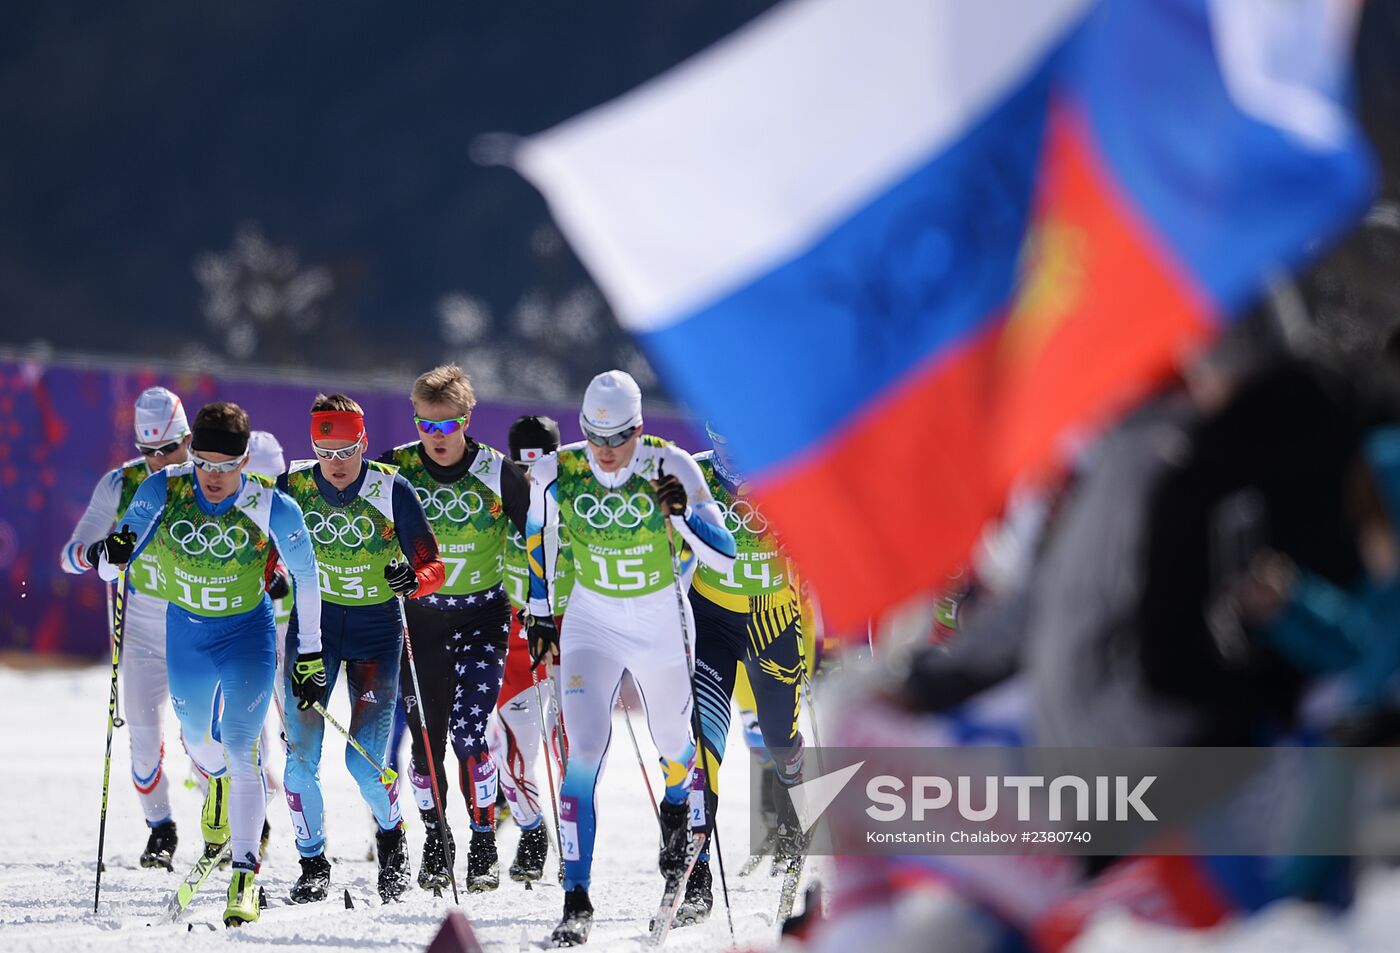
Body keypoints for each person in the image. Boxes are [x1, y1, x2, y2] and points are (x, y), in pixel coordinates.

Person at [86, 401, 322, 926]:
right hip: (186, 633)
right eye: (204, 464)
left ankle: (244, 872)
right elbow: (108, 568)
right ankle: (216, 785)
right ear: (191, 453)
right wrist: (114, 551)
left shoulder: (270, 504)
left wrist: (310, 651)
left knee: (242, 746)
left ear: (245, 462)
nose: (213, 478)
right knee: (199, 742)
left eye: (226, 467)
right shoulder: (164, 488)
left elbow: (308, 577)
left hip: (247, 633)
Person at [523, 369, 737, 946]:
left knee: (676, 749)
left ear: (639, 429)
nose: (606, 452)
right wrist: (539, 610)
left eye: (618, 439)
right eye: (595, 437)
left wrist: (686, 519)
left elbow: (727, 558)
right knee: (582, 755)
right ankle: (575, 899)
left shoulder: (672, 466)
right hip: (593, 624)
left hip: (662, 625)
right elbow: (535, 529)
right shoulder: (558, 470)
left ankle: (675, 818)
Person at [278, 394, 445, 903]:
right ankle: (313, 864)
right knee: (298, 762)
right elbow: (262, 550)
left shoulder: (390, 488)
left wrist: (410, 580)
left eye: (346, 452)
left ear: (363, 443)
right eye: (325, 453)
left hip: (376, 635)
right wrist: (269, 580)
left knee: (364, 764)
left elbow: (433, 568)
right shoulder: (293, 486)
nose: (336, 466)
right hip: (314, 633)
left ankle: (392, 840)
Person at [379, 364, 530, 892]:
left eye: (447, 427)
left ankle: (484, 842)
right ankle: (437, 839)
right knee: (425, 745)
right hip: (419, 625)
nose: (435, 438)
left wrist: (545, 606)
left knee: (468, 733)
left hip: (483, 617)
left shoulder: (497, 472)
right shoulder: (394, 470)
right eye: (425, 426)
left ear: (468, 420)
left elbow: (540, 538)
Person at [681, 422, 808, 923]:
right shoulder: (690, 473)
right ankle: (695, 879)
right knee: (701, 750)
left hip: (771, 620)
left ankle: (794, 803)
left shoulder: (789, 463)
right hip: (710, 621)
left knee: (780, 739)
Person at [61, 386, 191, 870]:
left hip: (200, 630)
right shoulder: (121, 484)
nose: (159, 461)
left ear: (188, 437)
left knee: (208, 743)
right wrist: (98, 554)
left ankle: (233, 822)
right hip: (140, 638)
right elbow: (71, 553)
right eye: (149, 451)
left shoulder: (210, 478)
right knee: (141, 746)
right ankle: (161, 829)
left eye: (170, 449)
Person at [494, 414, 568, 884]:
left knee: (572, 749)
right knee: (510, 755)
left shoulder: (576, 502)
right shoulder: (497, 502)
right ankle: (532, 828)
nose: (530, 477)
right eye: (521, 467)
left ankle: (576, 844)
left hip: (564, 636)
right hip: (514, 644)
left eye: (540, 465)